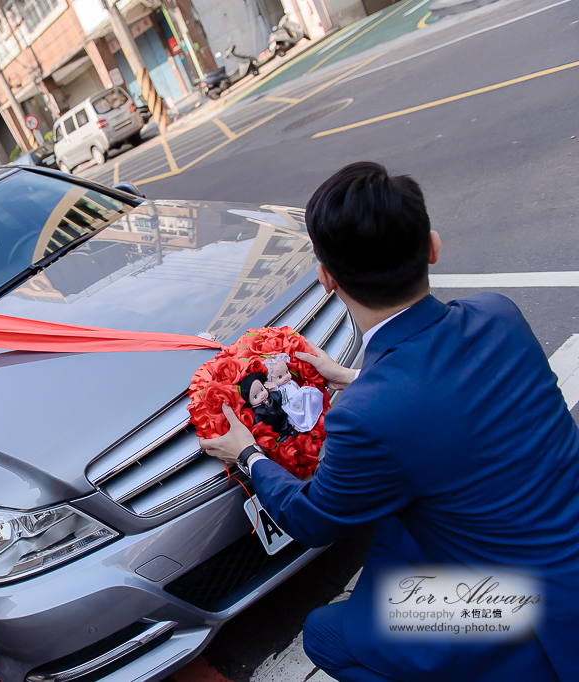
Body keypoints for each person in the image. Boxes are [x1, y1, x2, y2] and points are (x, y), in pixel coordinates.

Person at [200, 162, 579, 680]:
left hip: (526, 618)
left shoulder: (365, 418)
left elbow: (311, 520)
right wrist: (354, 378)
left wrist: (247, 454)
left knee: (326, 633)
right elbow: (445, 400)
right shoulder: (500, 316)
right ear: (433, 246)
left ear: (326, 278)